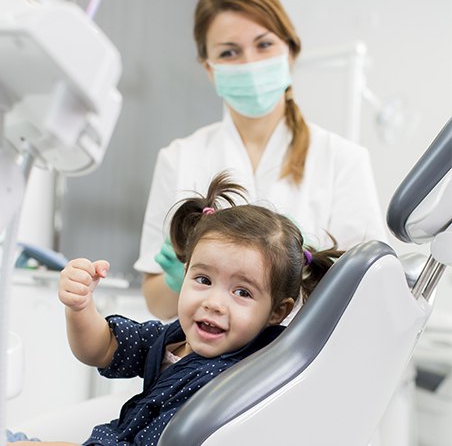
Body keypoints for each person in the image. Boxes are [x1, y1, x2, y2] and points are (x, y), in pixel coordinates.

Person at [6, 172, 342, 445]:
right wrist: (80, 308)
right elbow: (102, 347)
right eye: (203, 280)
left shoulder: (240, 377)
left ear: (277, 313)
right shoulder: (171, 339)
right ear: (185, 275)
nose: (213, 302)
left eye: (242, 292)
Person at [134, 0, 387, 320]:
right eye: (229, 52)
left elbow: (370, 290)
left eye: (264, 45)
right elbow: (157, 305)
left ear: (290, 51)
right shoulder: (179, 158)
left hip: (302, 363)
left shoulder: (343, 160)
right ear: (209, 69)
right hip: (204, 363)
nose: (250, 63)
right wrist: (177, 278)